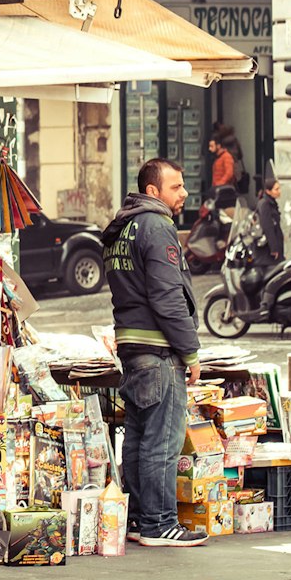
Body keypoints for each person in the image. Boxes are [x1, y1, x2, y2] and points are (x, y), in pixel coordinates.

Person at [103, 157, 206, 548]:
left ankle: (139, 519)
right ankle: (160, 523)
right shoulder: (157, 226)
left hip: (131, 346)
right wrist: (191, 352)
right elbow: (168, 297)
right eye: (176, 186)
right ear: (153, 191)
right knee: (162, 440)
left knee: (139, 437)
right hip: (158, 350)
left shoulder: (121, 228)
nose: (183, 193)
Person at [254, 176, 285, 264]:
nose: (279, 191)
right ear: (268, 191)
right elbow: (267, 226)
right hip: (267, 248)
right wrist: (274, 248)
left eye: (279, 188)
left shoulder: (271, 203)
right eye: (276, 189)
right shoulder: (265, 204)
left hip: (274, 243)